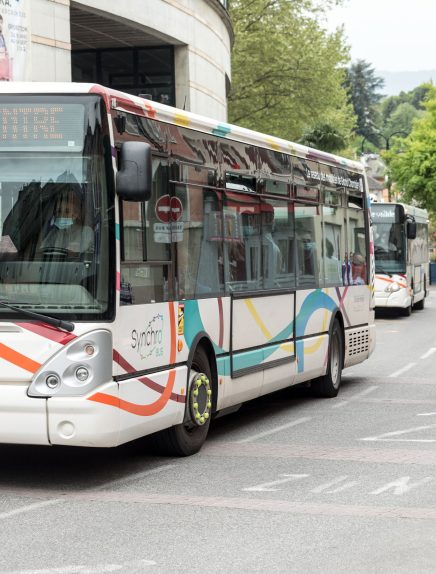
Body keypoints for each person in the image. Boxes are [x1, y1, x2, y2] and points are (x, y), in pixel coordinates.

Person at [39, 191, 94, 256]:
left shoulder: (86, 232)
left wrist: (78, 250)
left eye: (67, 211)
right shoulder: (54, 233)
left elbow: (89, 257)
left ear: (76, 214)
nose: (62, 215)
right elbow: (41, 252)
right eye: (59, 211)